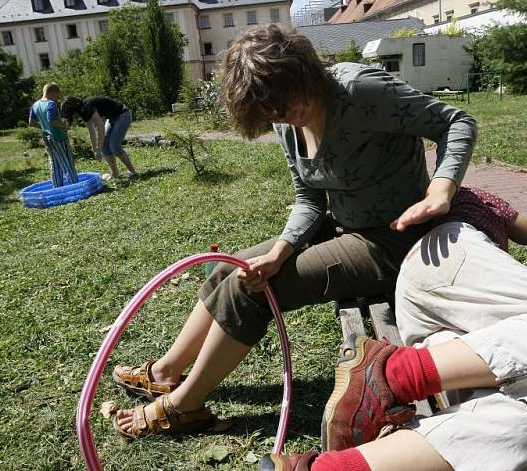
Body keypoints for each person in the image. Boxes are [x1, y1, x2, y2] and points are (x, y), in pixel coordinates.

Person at [112, 24, 478, 440]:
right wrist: (282, 250)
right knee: (229, 272)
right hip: (340, 224)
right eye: (273, 111)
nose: (288, 113)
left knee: (251, 292)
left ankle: (184, 408)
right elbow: (309, 200)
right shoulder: (283, 120)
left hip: (394, 238)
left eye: (289, 98)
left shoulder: (360, 91)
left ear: (304, 69)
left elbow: (456, 121)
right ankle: (166, 372)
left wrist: (441, 187)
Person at [261, 187, 527, 471]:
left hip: (435, 308)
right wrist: (500, 212)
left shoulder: (426, 196)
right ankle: (390, 374)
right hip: (449, 254)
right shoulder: (473, 196)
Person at [61, 96, 137, 180]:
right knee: (104, 146)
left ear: (74, 108)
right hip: (112, 118)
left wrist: (99, 149)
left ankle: (132, 171)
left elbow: (100, 126)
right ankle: (115, 173)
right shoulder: (82, 110)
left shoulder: (87, 107)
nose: (74, 116)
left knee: (114, 146)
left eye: (72, 113)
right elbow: (92, 131)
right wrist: (95, 150)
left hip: (123, 115)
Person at [29, 82, 77, 187]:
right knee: (67, 161)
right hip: (58, 137)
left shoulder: (35, 105)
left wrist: (44, 127)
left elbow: (31, 122)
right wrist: (64, 125)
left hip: (46, 137)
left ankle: (57, 186)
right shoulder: (51, 103)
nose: (57, 97)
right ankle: (75, 185)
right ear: (52, 92)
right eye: (57, 94)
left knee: (54, 163)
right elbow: (52, 121)